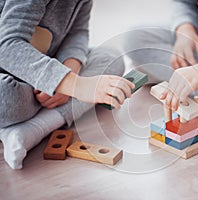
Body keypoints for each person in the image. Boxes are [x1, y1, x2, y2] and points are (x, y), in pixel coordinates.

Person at [0, 0, 134, 169]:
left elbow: (77, 33)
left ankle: (32, 128)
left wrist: (69, 70)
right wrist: (76, 85)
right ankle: (24, 121)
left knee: (111, 59)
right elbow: (7, 46)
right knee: (7, 98)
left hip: (45, 69)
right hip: (7, 75)